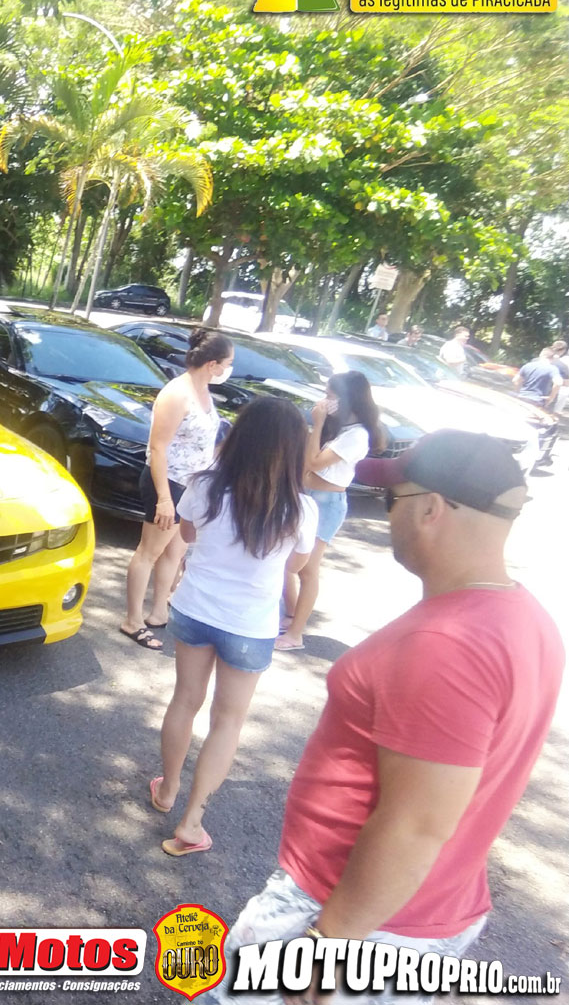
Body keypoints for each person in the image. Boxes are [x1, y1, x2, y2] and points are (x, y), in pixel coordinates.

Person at [215, 430, 563, 1004]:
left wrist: (327, 946)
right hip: (421, 914)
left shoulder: (444, 645)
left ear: (431, 509)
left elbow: (416, 824)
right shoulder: (524, 616)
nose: (386, 514)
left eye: (391, 499)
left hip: (351, 916)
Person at [149, 397, 318, 856]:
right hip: (250, 625)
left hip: (195, 608)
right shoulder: (301, 509)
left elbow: (187, 535)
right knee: (228, 721)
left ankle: (167, 790)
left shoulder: (205, 486)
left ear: (241, 436)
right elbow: (295, 566)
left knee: (185, 699)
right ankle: (192, 822)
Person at [120, 328, 235, 650]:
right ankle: (132, 620)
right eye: (227, 363)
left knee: (175, 552)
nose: (228, 369)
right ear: (212, 364)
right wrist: (164, 499)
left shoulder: (203, 391)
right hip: (168, 483)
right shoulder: (176, 394)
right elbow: (158, 448)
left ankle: (159, 613)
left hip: (192, 486)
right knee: (149, 552)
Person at [277, 372, 384, 651]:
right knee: (288, 560)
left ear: (348, 398)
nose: (325, 401)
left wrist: (318, 423)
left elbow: (314, 463)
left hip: (327, 504)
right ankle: (291, 614)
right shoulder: (341, 429)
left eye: (330, 396)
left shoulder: (357, 435)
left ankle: (296, 634)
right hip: (307, 497)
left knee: (307, 569)